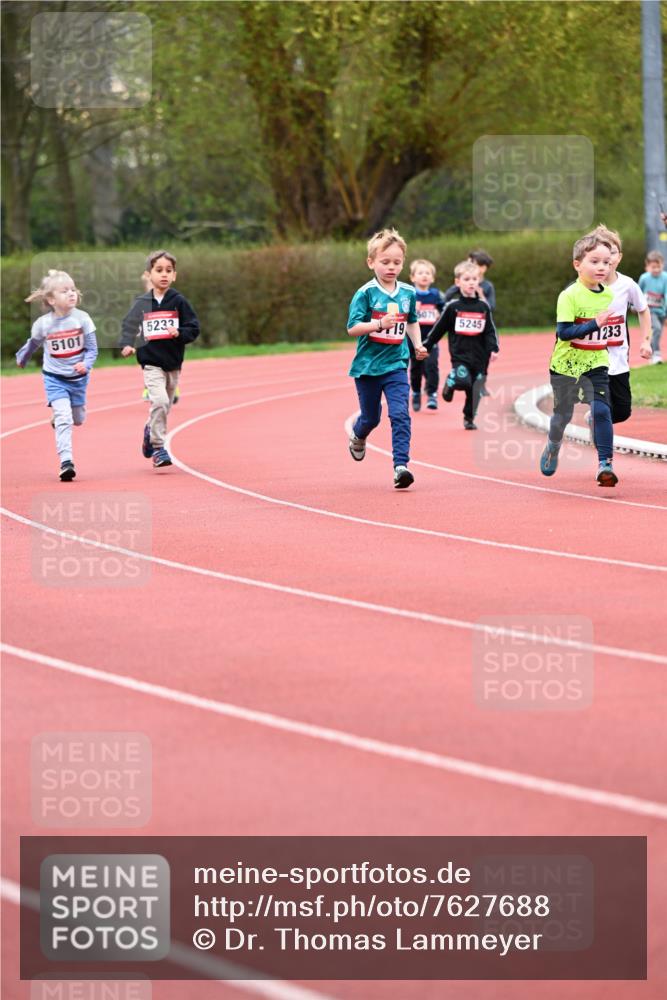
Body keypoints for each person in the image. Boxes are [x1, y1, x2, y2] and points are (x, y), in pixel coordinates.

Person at [347, 228, 426, 489]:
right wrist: (378, 325)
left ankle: (401, 466)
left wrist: (417, 345)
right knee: (371, 418)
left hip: (396, 364)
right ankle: (359, 435)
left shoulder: (408, 293)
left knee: (400, 414)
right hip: (368, 367)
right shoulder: (365, 293)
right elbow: (352, 328)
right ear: (371, 262)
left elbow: (412, 322)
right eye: (385, 262)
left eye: (397, 262)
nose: (391, 267)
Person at [539, 234, 618, 487]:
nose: (602, 267)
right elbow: (563, 333)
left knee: (601, 410)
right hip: (566, 365)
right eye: (595, 261)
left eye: (606, 262)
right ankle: (553, 445)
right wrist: (594, 323)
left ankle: (605, 464)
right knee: (563, 415)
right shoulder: (569, 296)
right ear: (577, 265)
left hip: (596, 361)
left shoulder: (608, 296)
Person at [119, 250, 200, 468]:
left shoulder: (179, 302)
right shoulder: (142, 303)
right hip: (151, 363)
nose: (164, 274)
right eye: (159, 270)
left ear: (174, 275)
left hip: (173, 364)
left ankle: (149, 430)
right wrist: (126, 343)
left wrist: (180, 332)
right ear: (149, 275)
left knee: (164, 408)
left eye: (168, 271)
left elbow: (193, 328)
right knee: (161, 401)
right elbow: (129, 324)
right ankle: (158, 448)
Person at [16, 270, 98, 481]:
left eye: (73, 289)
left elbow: (92, 350)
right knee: (64, 418)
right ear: (51, 299)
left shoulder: (83, 319)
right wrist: (22, 358)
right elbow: (32, 344)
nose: (71, 294)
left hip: (78, 379)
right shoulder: (43, 324)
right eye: (64, 291)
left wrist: (85, 364)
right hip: (55, 378)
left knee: (78, 419)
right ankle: (66, 462)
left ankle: (61, 416)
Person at [422, 260, 498, 430]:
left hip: (480, 356)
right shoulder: (453, 307)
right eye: (467, 279)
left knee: (475, 390)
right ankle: (451, 382)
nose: (471, 282)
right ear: (458, 282)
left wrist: (494, 348)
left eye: (474, 279)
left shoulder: (483, 307)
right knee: (463, 381)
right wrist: (426, 345)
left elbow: (489, 331)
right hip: (460, 355)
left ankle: (469, 418)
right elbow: (439, 329)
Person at [588, 225, 651, 424]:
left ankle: (596, 420)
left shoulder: (627, 285)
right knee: (601, 407)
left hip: (619, 356)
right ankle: (600, 431)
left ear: (619, 258)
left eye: (612, 253)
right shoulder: (584, 286)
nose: (608, 258)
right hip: (593, 357)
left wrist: (646, 341)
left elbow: (643, 309)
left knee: (622, 411)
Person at [408, 258, 445, 411]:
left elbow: (445, 312)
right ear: (413, 277)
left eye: (427, 273)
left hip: (431, 338)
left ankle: (432, 395)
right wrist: (412, 311)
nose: (424, 276)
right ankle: (416, 392)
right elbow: (400, 314)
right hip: (412, 338)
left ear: (432, 278)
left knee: (432, 366)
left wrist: (438, 313)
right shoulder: (409, 294)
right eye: (420, 273)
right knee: (416, 368)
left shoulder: (436, 295)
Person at [638, 250, 667, 364]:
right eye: (653, 267)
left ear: (662, 264)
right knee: (657, 329)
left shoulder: (665, 277)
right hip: (649, 311)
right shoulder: (644, 278)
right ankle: (656, 353)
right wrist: (634, 305)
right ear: (647, 266)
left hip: (661, 310)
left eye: (658, 266)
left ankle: (649, 348)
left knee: (658, 332)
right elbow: (638, 292)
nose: (656, 269)